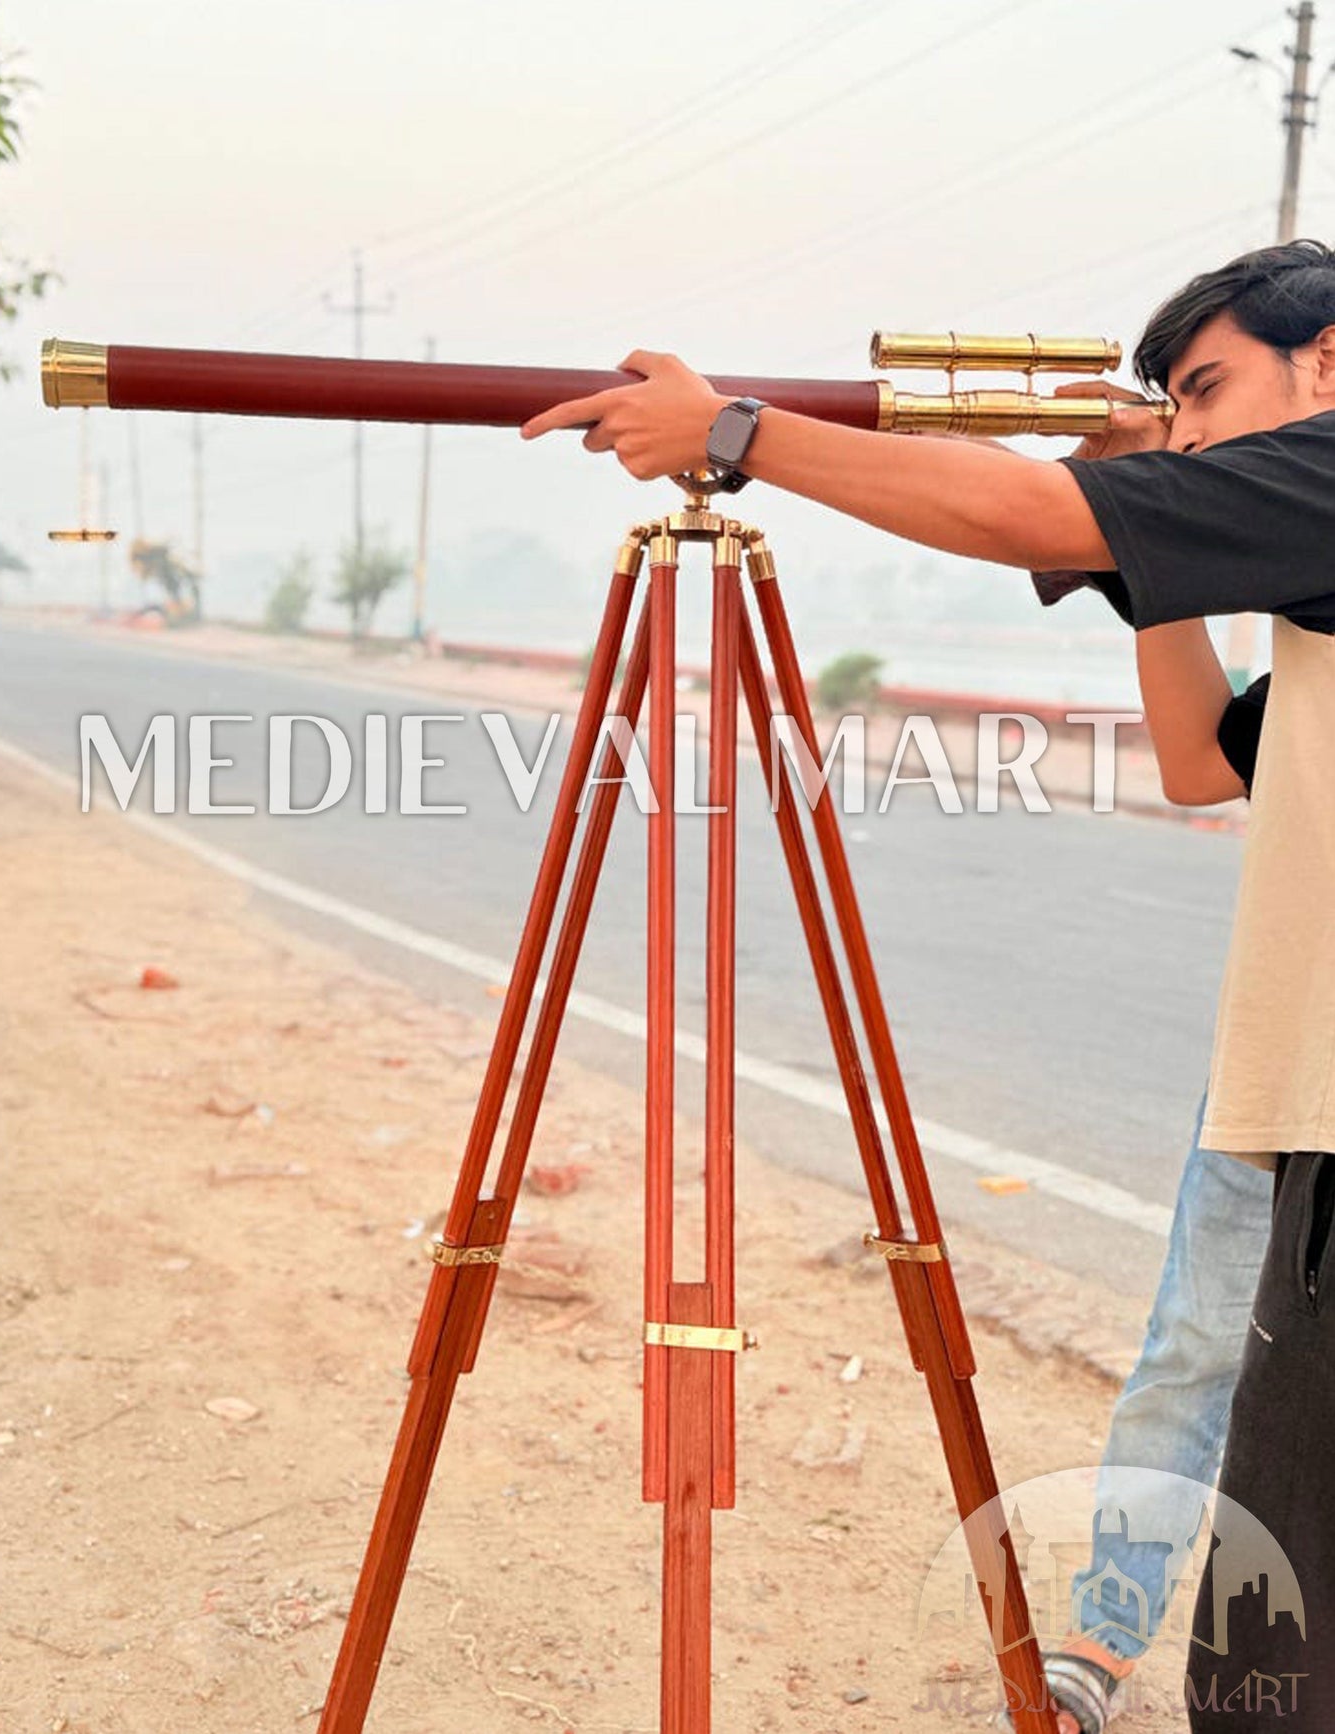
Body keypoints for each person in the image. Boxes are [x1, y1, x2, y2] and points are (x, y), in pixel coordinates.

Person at [524, 240, 1335, 1732]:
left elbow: (1018, 507)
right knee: (1201, 1373)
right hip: (1289, 1067)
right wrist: (1145, 540)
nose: (1194, 428)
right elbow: (1195, 759)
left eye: (1207, 391)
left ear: (1328, 364)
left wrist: (733, 432)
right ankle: (1099, 1644)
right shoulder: (1300, 557)